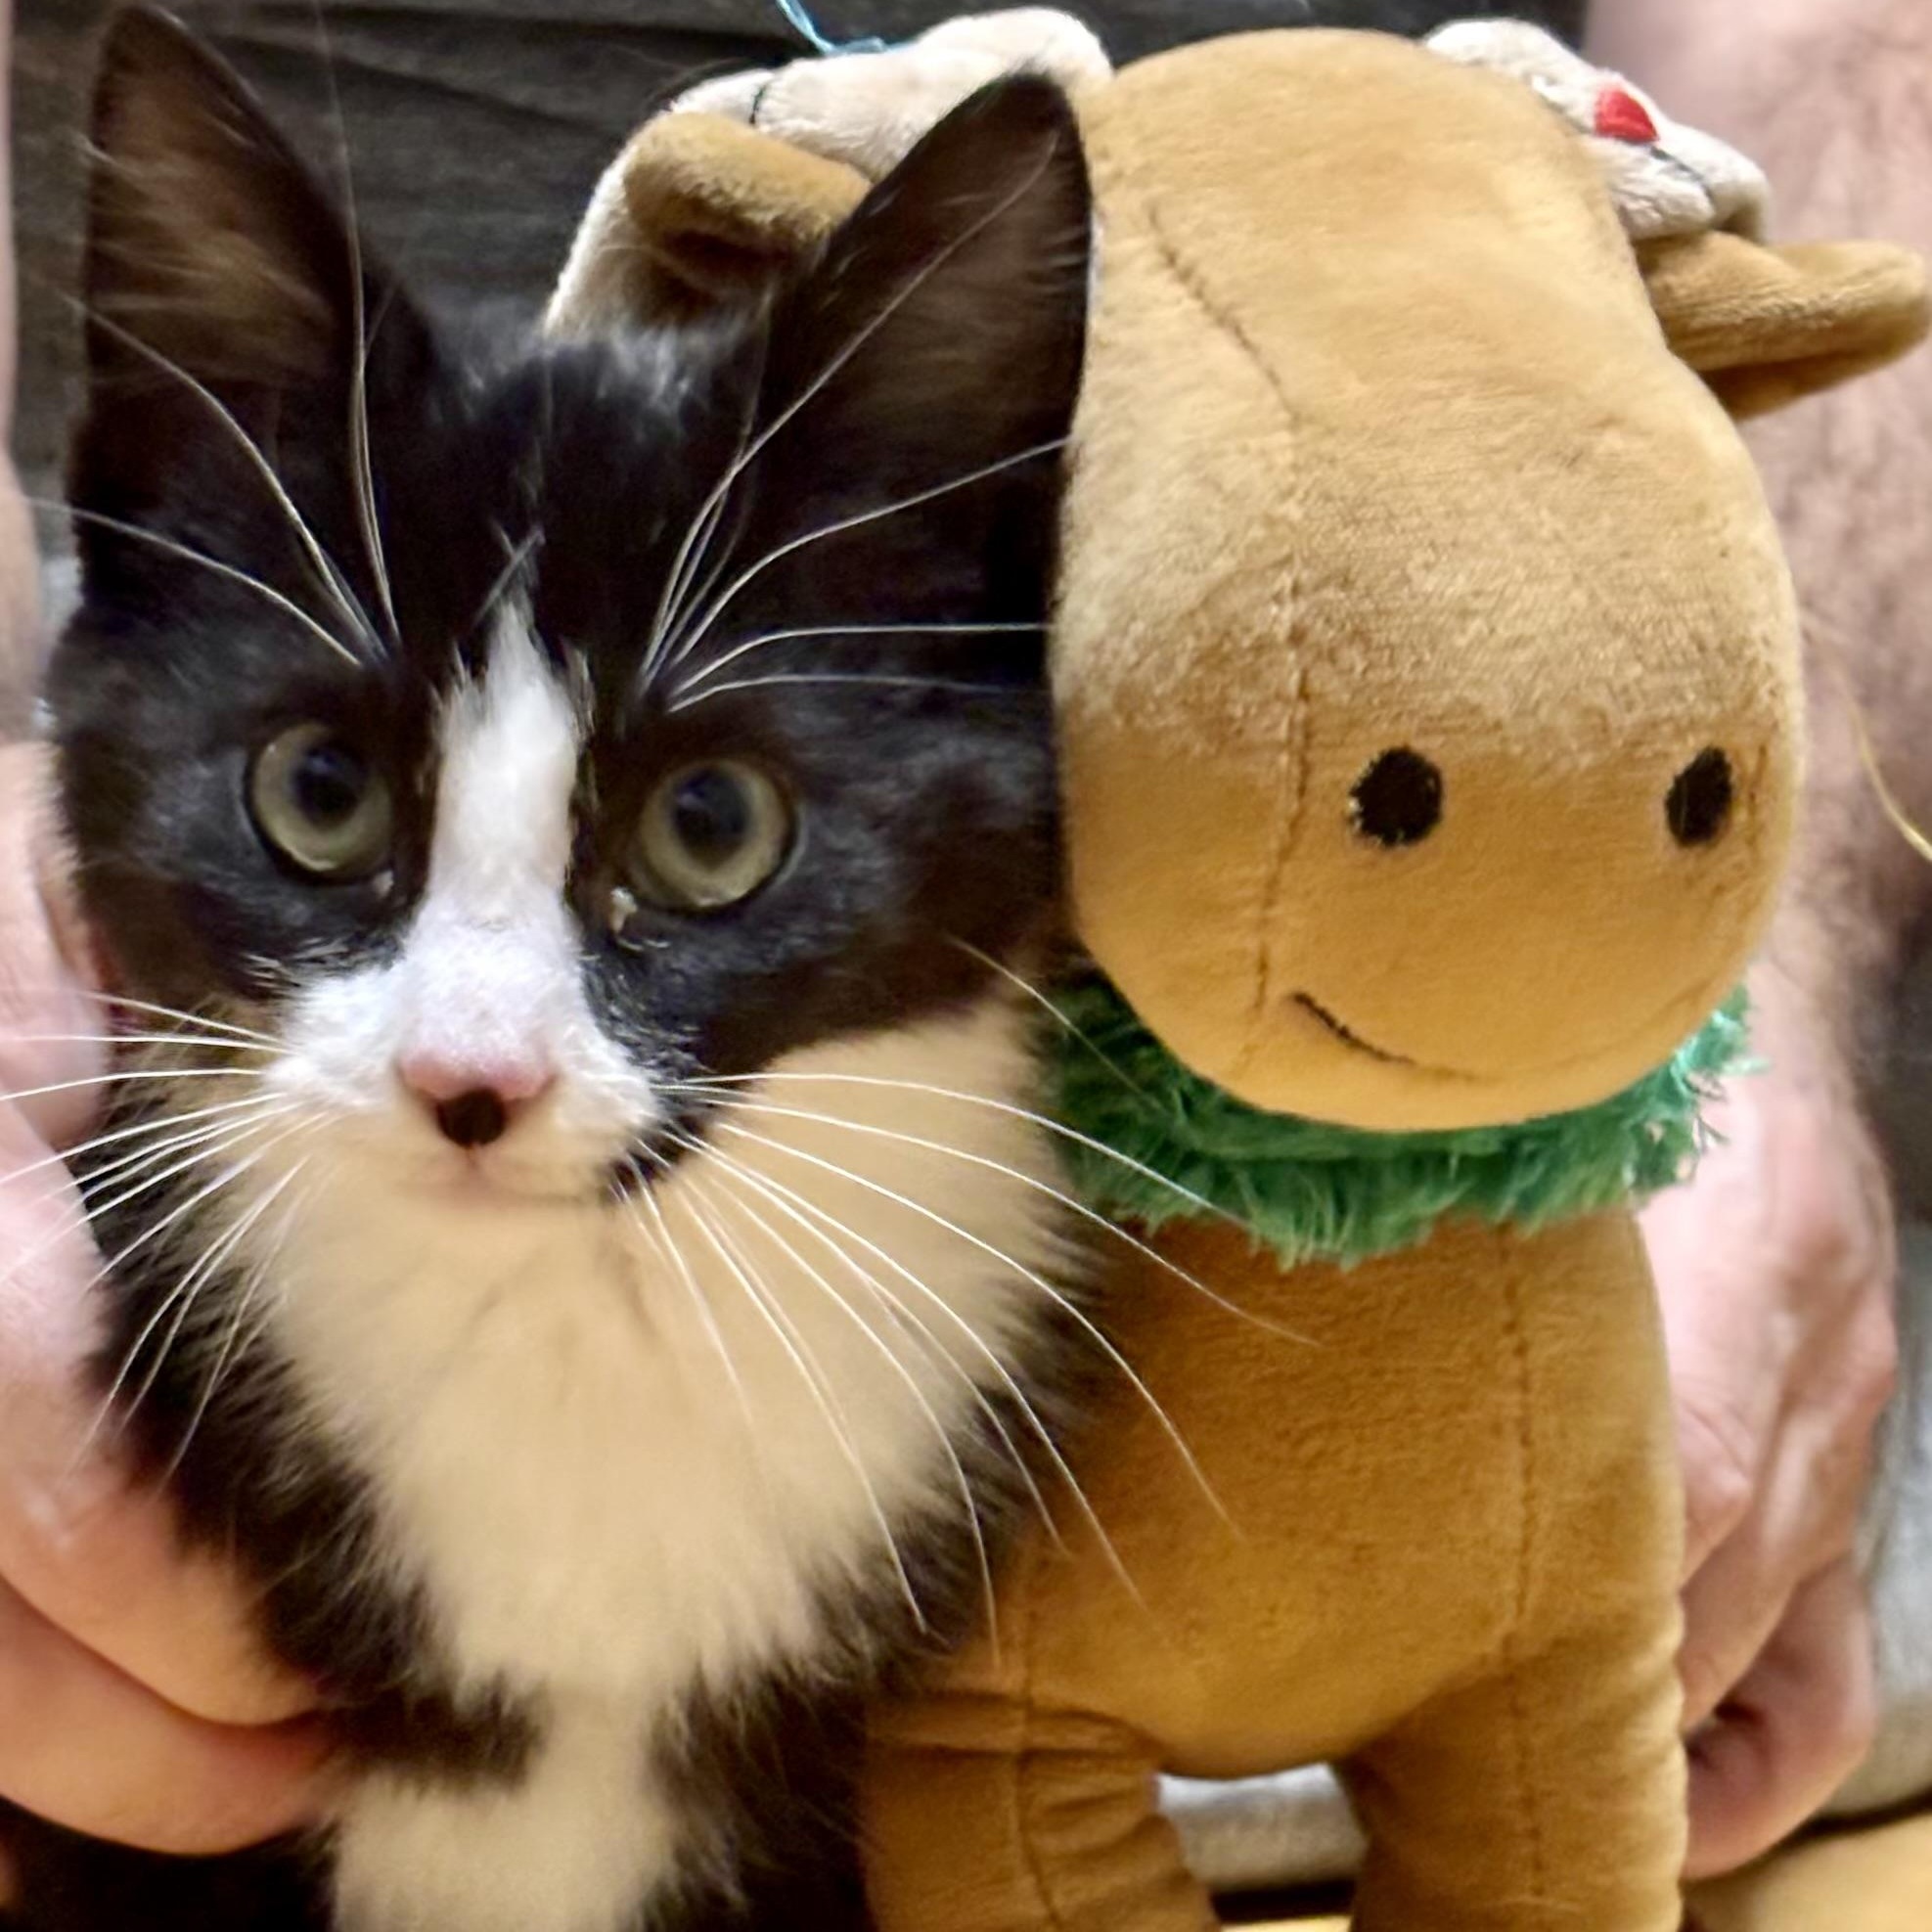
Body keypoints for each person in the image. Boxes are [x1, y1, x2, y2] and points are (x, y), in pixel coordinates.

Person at [0, 0, 1922, 1904]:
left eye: (705, 831)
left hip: (1463, 1563)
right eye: (322, 803)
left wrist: (1758, 975)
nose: (472, 1051)